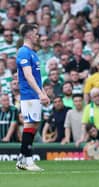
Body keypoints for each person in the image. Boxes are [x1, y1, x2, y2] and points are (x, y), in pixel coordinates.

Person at [16, 24, 50, 171]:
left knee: (34, 125)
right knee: (30, 125)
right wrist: (39, 93)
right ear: (29, 35)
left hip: (34, 94)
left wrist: (44, 93)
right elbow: (28, 76)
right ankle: (28, 161)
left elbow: (36, 77)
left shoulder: (32, 53)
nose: (38, 36)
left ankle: (22, 158)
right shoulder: (23, 52)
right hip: (29, 94)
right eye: (36, 34)